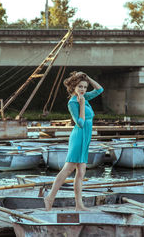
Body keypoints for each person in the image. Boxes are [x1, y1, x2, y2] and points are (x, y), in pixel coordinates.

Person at [44, 71, 103, 211]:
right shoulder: (73, 102)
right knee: (68, 169)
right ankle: (50, 197)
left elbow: (100, 89)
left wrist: (87, 77)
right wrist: (81, 105)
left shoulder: (84, 97)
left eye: (85, 87)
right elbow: (80, 123)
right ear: (74, 87)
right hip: (78, 137)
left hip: (86, 138)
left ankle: (79, 205)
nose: (83, 89)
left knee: (81, 172)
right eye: (80, 86)